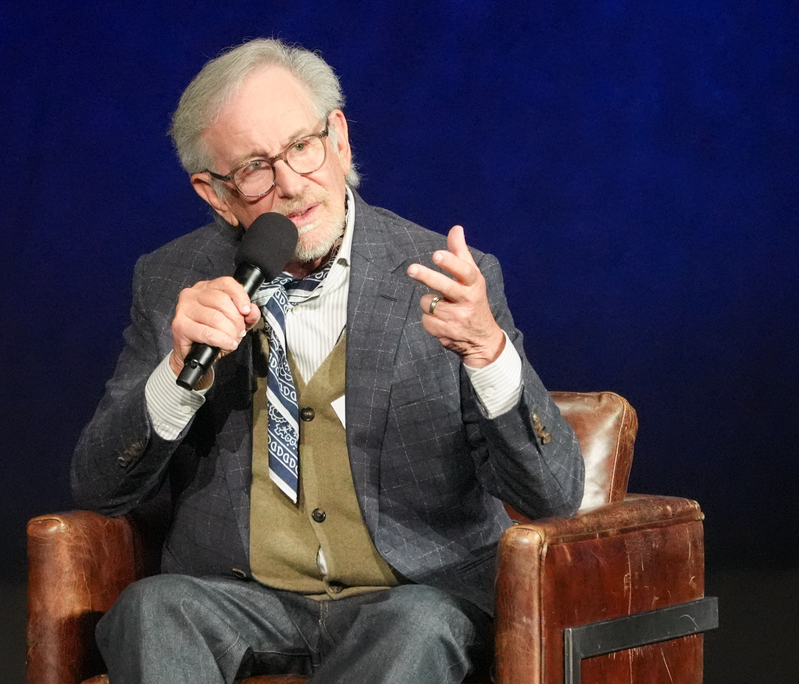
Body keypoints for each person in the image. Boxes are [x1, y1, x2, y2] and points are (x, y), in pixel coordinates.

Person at [70, 38, 584, 684]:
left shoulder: (448, 278)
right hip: (242, 597)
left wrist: (488, 352)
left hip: (406, 598)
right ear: (215, 193)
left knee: (419, 627)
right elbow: (99, 487)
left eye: (301, 147)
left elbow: (554, 497)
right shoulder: (172, 280)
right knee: (150, 611)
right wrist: (177, 373)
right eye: (255, 168)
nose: (290, 185)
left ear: (338, 138)